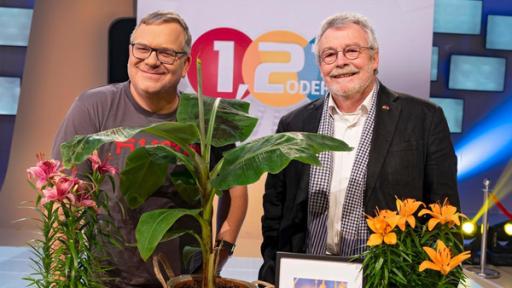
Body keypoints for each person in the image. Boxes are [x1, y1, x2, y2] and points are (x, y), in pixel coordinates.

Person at [259, 12, 459, 284]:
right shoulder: (294, 124)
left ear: (374, 58)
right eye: (329, 54)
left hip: (389, 279)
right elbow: (274, 210)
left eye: (352, 51)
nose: (341, 61)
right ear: (320, 66)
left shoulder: (424, 119)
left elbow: (445, 211)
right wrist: (272, 271)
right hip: (304, 276)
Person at [52, 11, 248, 288]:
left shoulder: (208, 115)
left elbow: (237, 191)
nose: (152, 60)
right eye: (142, 48)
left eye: (167, 53)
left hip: (181, 280)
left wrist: (217, 259)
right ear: (131, 52)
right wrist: (61, 275)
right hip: (104, 277)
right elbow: (65, 196)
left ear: (185, 64)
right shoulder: (93, 107)